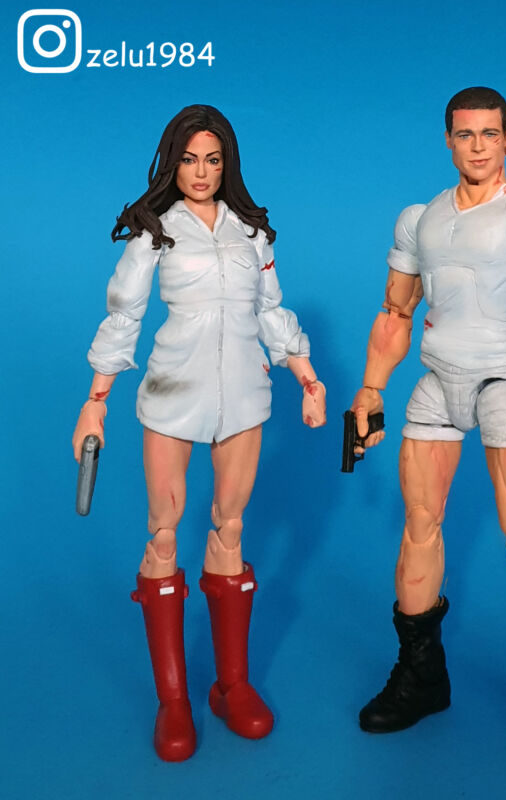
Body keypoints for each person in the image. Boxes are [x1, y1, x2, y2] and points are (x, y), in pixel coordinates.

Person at [350, 87, 506, 768]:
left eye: (491, 133)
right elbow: (396, 312)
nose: (479, 146)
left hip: (498, 385)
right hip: (435, 382)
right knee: (418, 528)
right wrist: (371, 388)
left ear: (503, 136)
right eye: (466, 134)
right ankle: (422, 677)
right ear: (448, 140)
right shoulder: (420, 219)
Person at [72, 105, 326, 762]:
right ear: (172, 163)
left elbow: (270, 309)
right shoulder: (154, 233)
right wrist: (96, 402)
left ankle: (231, 685)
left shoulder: (251, 233)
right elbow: (123, 317)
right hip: (173, 392)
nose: (202, 171)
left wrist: (306, 375)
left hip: (243, 394)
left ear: (227, 164)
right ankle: (173, 698)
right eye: (189, 159)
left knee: (230, 528)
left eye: (213, 160)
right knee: (163, 532)